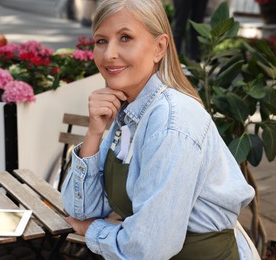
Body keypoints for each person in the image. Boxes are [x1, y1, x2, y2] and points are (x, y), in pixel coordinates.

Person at [61, 0, 258, 259]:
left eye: (125, 37)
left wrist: (93, 231)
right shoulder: (128, 112)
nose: (109, 54)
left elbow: (149, 248)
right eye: (101, 41)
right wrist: (94, 132)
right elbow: (82, 209)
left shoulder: (170, 123)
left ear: (159, 47)